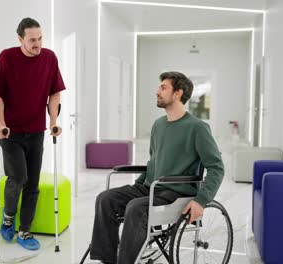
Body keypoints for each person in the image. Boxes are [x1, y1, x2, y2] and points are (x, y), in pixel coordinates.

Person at [89, 71, 224, 264]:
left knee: (136, 208)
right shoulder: (158, 125)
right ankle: (107, 259)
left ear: (178, 93)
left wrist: (201, 200)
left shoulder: (198, 128)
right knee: (105, 199)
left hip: (174, 193)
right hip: (151, 187)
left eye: (163, 88)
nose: (157, 91)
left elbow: (216, 167)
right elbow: (154, 161)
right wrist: (137, 186)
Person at [0, 17, 65, 251]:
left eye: (40, 38)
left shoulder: (50, 58)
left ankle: (25, 231)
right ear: (20, 39)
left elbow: (55, 93)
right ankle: (9, 217)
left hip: (36, 131)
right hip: (11, 132)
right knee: (18, 178)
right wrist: (0, 124)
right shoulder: (6, 57)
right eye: (32, 40)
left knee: (32, 183)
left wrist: (53, 121)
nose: (37, 43)